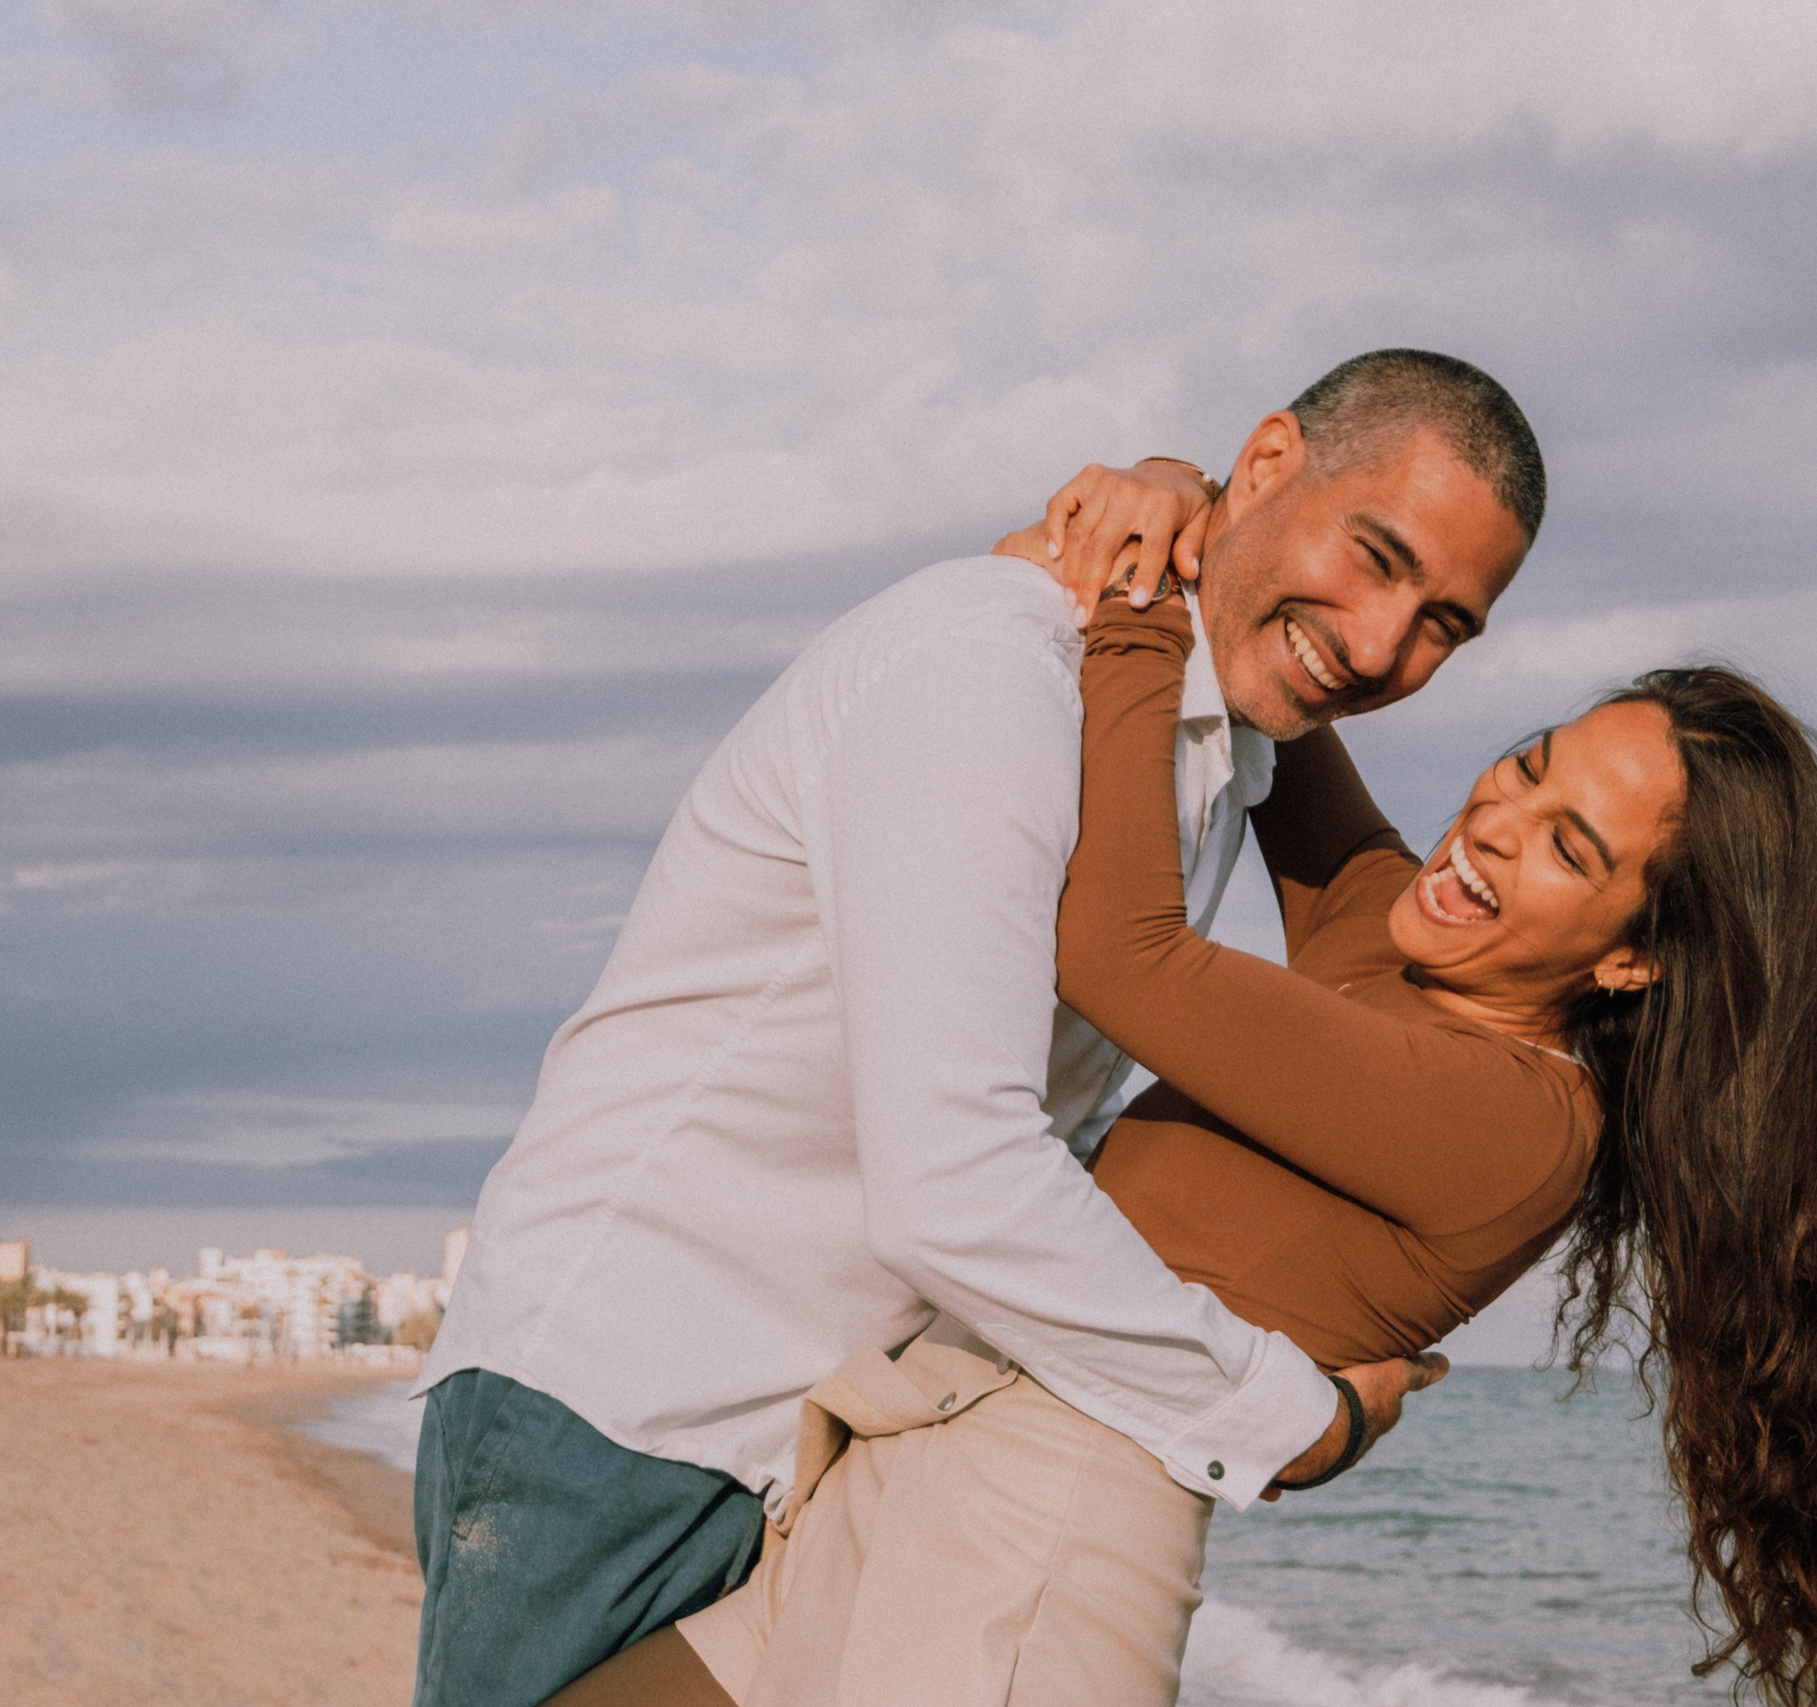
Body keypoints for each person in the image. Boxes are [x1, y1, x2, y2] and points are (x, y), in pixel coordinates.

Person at [551, 560, 1817, 1706]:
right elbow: (1287, 675)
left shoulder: (1513, 1120)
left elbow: (1121, 957)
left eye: (1568, 849)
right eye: (1531, 762)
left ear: (1633, 956)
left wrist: (1138, 605)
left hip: (1036, 1544)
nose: (1491, 825)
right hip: (903, 1455)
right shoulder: (1390, 941)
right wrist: (1182, 507)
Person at [409, 350, 1545, 1707]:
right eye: (1374, 555)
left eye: (1443, 624)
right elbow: (954, 1180)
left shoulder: (1216, 742)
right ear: (1268, 463)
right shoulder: (993, 670)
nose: (1378, 645)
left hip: (807, 1440)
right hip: (626, 1411)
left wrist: (1174, 493)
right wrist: (1285, 1416)